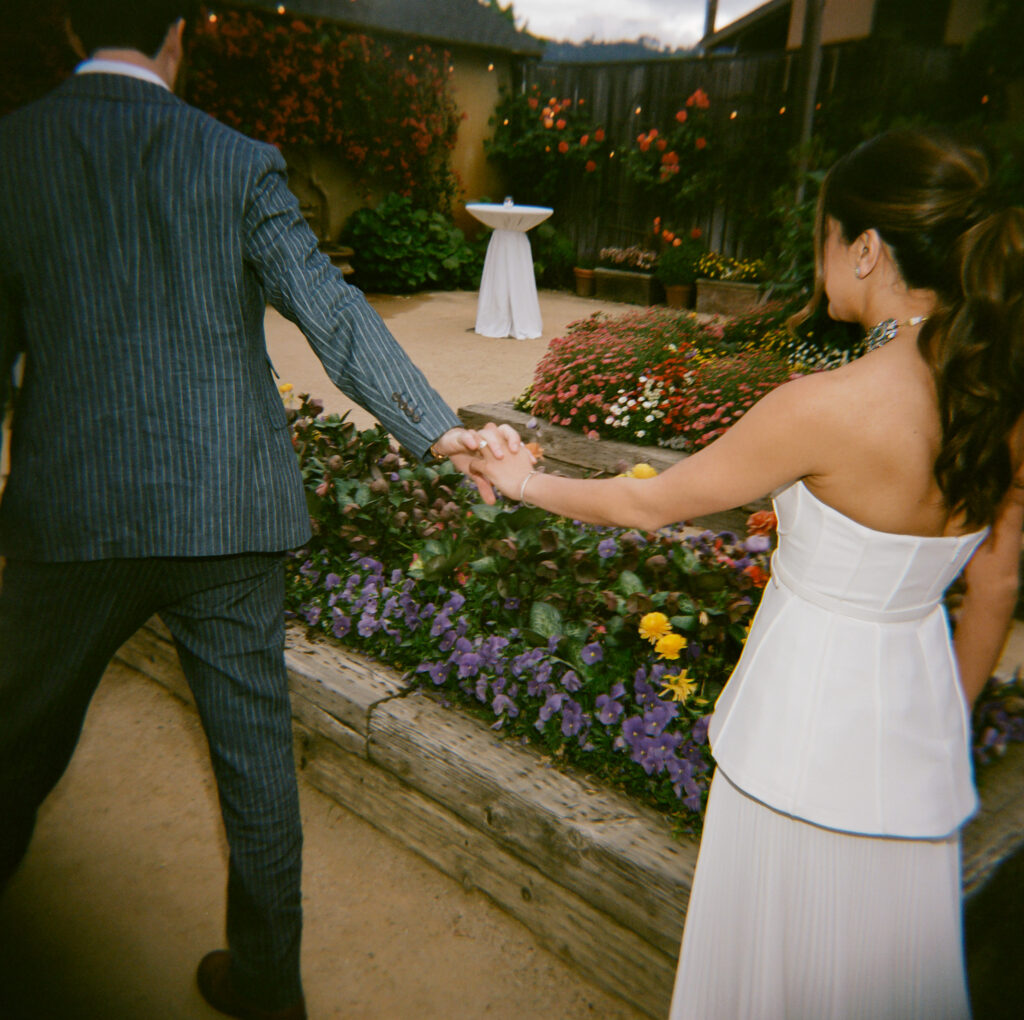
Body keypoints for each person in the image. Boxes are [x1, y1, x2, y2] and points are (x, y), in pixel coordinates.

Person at [0, 3, 516, 1018]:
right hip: (225, 512)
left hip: (71, 518)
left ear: (67, 28)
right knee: (254, 763)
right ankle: (270, 986)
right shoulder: (235, 159)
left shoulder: (13, 151)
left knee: (13, 745)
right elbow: (327, 306)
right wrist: (437, 427)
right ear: (179, 35)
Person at [474, 128, 1024, 1018]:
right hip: (918, 743)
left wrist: (521, 478)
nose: (821, 262)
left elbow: (651, 505)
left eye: (824, 238)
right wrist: (938, 734)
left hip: (793, 746)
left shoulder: (824, 409)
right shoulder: (1000, 397)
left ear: (868, 249)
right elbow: (993, 592)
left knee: (767, 976)